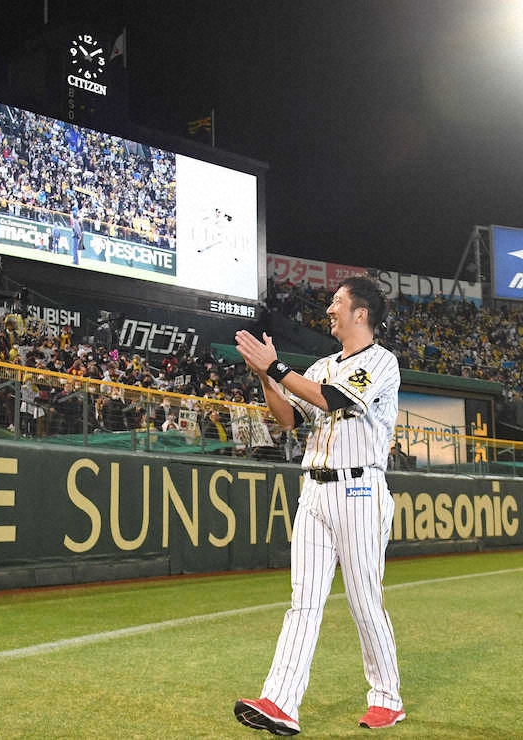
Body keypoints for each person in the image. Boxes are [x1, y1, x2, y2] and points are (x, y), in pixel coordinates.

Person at [232, 276, 404, 734]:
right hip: (315, 490)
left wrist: (278, 367)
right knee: (303, 601)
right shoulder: (325, 363)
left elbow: (333, 400)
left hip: (361, 490)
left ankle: (387, 697)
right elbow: (288, 418)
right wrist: (266, 377)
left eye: (337, 302)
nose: (330, 308)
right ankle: (280, 702)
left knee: (365, 601)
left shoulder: (382, 362)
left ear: (360, 313)